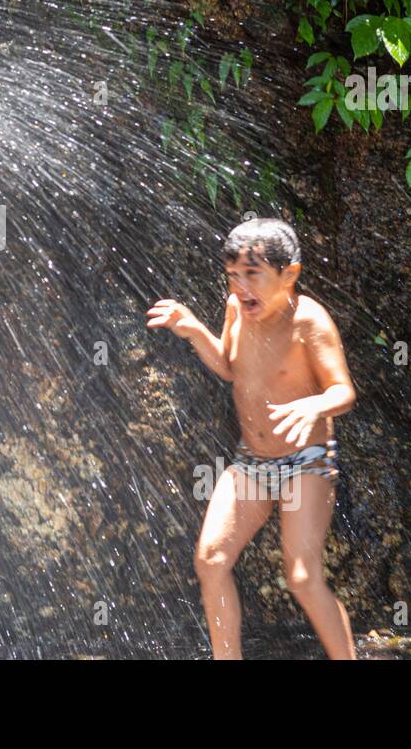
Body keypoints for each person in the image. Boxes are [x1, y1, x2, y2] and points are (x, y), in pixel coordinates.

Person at [146, 217, 357, 659]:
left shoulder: (310, 322)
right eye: (233, 276)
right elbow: (230, 366)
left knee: (302, 577)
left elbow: (343, 392)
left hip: (307, 461)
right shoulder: (236, 309)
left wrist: (314, 405)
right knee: (211, 560)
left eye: (252, 274)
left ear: (290, 275)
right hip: (252, 462)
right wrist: (194, 331)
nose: (241, 288)